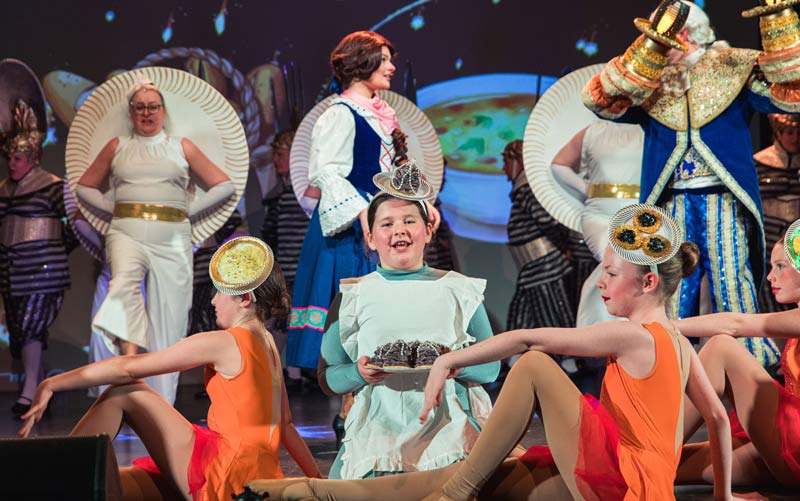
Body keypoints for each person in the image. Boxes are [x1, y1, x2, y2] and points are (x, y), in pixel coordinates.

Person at [246, 204, 738, 501]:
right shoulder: (676, 340)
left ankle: (455, 492)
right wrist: (724, 495)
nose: (601, 282)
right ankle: (305, 492)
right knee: (468, 477)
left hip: (616, 482)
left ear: (648, 283)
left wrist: (447, 360)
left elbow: (525, 343)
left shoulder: (631, 336)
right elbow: (716, 418)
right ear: (372, 236)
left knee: (534, 366)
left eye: (610, 274)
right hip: (620, 476)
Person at [19, 237, 322, 501]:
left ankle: (58, 475)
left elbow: (127, 368)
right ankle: (62, 482)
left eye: (220, 293)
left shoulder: (223, 342)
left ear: (244, 299)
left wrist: (52, 383)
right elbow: (286, 425)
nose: (213, 301)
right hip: (253, 475)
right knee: (117, 484)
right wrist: (319, 483)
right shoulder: (268, 343)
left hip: (225, 473)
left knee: (125, 392)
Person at [581, 0, 791, 366]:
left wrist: (782, 29)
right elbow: (600, 100)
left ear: (684, 35)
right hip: (671, 200)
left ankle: (750, 363)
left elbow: (788, 96)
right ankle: (666, 358)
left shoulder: (732, 66)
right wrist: (646, 51)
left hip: (723, 198)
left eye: (665, 36)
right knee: (671, 286)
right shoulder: (652, 79)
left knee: (730, 279)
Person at [316, 164, 498, 480]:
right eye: (387, 224)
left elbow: (490, 368)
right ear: (371, 238)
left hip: (447, 433)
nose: (399, 230)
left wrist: (455, 365)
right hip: (377, 436)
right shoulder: (354, 295)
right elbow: (327, 377)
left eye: (409, 221)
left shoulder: (459, 290)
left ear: (428, 230)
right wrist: (358, 373)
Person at [76, 75, 235, 404]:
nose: (147, 113)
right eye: (140, 107)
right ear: (131, 112)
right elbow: (84, 186)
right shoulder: (118, 146)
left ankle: (160, 401)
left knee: (170, 317)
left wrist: (187, 210)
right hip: (126, 231)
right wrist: (114, 207)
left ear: (163, 110)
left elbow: (224, 185)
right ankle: (126, 369)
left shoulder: (181, 146)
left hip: (172, 235)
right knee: (123, 287)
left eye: (153, 107)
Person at [287, 30, 440, 371]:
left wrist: (421, 205)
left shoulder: (382, 112)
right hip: (352, 233)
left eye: (389, 60)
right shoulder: (341, 113)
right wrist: (362, 213)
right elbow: (326, 171)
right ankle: (349, 398)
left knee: (383, 321)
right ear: (361, 64)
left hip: (380, 224)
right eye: (383, 60)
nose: (391, 67)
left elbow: (391, 173)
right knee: (353, 323)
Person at [673, 229, 800, 490]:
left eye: (780, 266)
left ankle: (646, 447)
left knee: (721, 347)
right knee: (669, 466)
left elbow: (736, 323)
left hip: (795, 441)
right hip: (787, 441)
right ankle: (635, 458)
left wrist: (662, 326)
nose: (770, 277)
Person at [0, 99, 77, 417]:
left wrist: (56, 251)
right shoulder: (4, 189)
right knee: (20, 331)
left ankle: (29, 391)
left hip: (43, 271)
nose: (11, 164)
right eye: (8, 158)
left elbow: (76, 227)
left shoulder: (53, 187)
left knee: (31, 326)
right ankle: (40, 386)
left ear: (32, 159)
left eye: (17, 158)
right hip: (12, 272)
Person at [503, 139, 575, 333]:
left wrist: (564, 247)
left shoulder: (529, 188)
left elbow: (547, 220)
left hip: (545, 268)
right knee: (521, 321)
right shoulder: (524, 189)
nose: (503, 169)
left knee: (554, 322)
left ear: (518, 161)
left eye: (506, 162)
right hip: (534, 269)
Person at [754, 114, 800, 313]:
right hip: (770, 234)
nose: (795, 138)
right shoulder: (758, 162)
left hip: (796, 236)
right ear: (778, 133)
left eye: (799, 132)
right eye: (790, 132)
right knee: (770, 284)